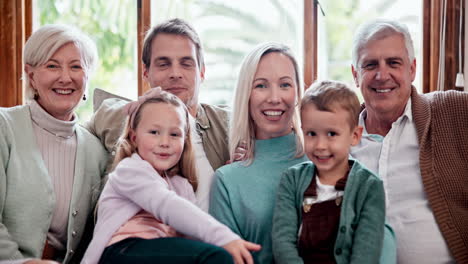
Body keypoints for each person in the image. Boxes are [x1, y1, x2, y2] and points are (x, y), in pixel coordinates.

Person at [82, 88, 260, 264]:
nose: (165, 143)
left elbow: (190, 233)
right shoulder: (129, 170)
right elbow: (167, 205)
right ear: (134, 138)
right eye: (154, 132)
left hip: (161, 251)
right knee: (215, 257)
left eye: (174, 134)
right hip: (121, 250)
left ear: (185, 141)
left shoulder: (181, 185)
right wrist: (223, 238)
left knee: (221, 255)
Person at [350, 19, 468, 263]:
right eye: (370, 65)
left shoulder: (453, 110)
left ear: (412, 69)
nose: (382, 75)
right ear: (355, 74)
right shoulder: (337, 136)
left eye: (394, 63)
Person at [86, 18, 228, 212]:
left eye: (186, 64)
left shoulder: (229, 125)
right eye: (163, 64)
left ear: (202, 72)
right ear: (145, 72)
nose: (175, 73)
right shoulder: (115, 116)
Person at [0, 25, 108, 263]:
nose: (65, 77)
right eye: (52, 65)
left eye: (76, 66)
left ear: (87, 76)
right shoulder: (3, 126)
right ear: (31, 76)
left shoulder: (96, 151)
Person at [209, 42, 309, 264]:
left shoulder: (328, 158)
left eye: (285, 84)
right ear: (246, 93)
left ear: (298, 93)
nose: (274, 98)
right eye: (261, 86)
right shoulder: (227, 181)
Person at [272, 80, 388, 264]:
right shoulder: (292, 180)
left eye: (332, 134)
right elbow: (282, 241)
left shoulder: (370, 187)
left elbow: (367, 251)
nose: (320, 146)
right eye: (311, 134)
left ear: (354, 136)